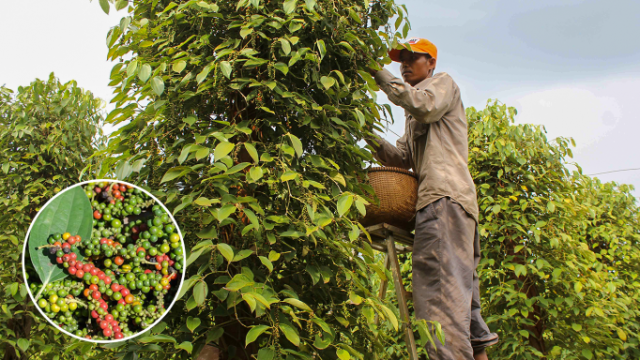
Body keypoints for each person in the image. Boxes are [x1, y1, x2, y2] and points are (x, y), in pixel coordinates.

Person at [365, 38, 499, 360]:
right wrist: (365, 130)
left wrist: (376, 72)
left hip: (442, 202)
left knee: (439, 305)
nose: (405, 64)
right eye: (401, 60)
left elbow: (422, 106)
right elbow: (401, 159)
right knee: (462, 303)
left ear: (432, 63)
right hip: (456, 206)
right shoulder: (415, 115)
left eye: (413, 58)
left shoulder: (441, 86)